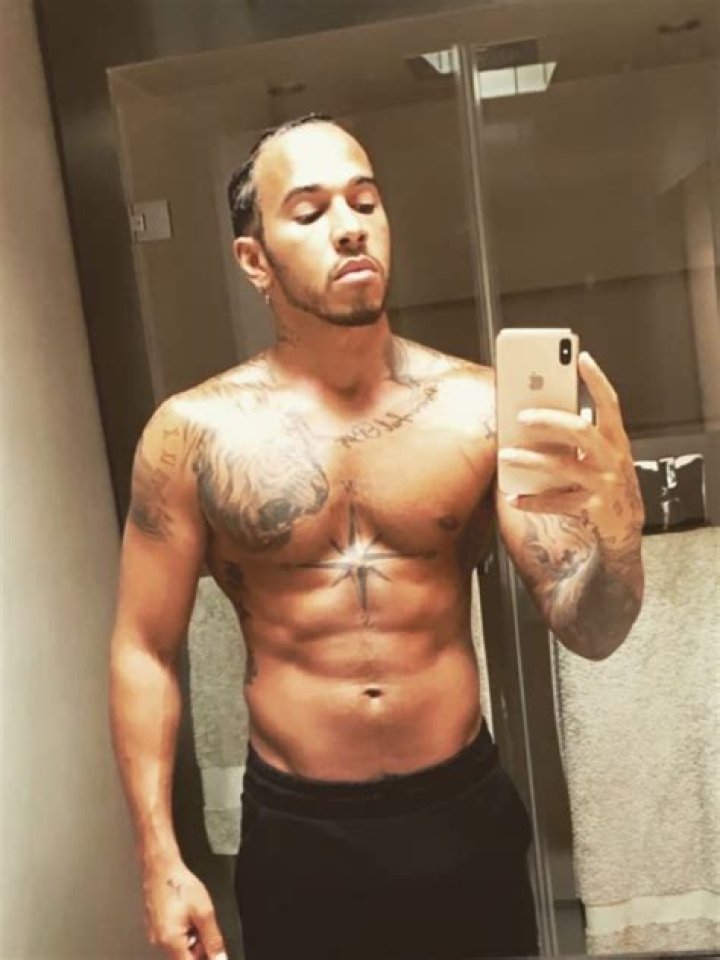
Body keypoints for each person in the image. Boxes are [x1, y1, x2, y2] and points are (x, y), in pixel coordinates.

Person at [109, 113, 645, 960]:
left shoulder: (481, 408)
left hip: (460, 815)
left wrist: (619, 533)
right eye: (310, 210)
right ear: (254, 259)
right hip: (301, 835)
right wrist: (157, 858)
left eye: (365, 201)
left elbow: (590, 628)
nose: (351, 225)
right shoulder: (192, 435)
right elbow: (144, 648)